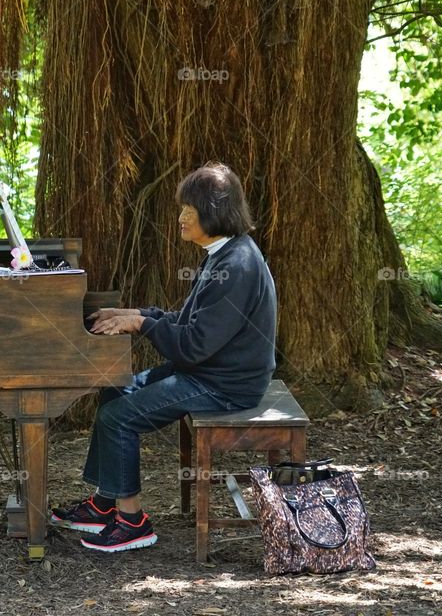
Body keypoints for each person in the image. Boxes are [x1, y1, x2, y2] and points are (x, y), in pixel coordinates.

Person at [51, 162, 277, 553]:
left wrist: (141, 324)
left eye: (187, 210)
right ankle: (104, 504)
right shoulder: (222, 253)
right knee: (113, 391)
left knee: (118, 417)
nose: (180, 218)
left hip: (225, 385)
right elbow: (193, 324)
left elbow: (192, 344)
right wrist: (134, 315)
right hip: (207, 370)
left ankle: (133, 522)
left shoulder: (237, 265)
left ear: (213, 210)